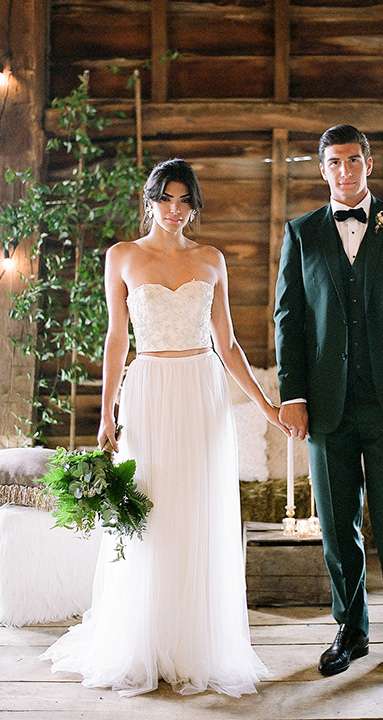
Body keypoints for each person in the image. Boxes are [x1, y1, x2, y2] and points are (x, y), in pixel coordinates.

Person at [41, 158, 286, 697]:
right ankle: (142, 639)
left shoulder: (212, 259)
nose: (175, 210)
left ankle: (196, 643)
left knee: (196, 510)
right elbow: (114, 339)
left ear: (194, 206)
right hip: (148, 388)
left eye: (185, 201)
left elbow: (228, 345)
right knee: (150, 510)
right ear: (150, 200)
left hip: (202, 389)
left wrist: (267, 407)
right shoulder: (123, 256)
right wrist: (106, 413)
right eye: (166, 199)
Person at [274, 125, 383, 683]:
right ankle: (350, 631)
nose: (344, 171)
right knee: (337, 525)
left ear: (368, 164)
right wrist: (293, 396)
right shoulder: (301, 234)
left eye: (353, 160)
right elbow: (288, 319)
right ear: (321, 169)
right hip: (324, 407)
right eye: (333, 162)